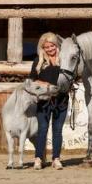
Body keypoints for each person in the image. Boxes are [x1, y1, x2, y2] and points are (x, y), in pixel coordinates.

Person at [29, 32, 69, 170]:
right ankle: (39, 158)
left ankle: (56, 159)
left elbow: (70, 77)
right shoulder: (38, 61)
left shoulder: (64, 60)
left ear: (56, 45)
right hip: (44, 101)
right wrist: (44, 84)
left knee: (57, 131)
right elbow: (32, 80)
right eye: (46, 47)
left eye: (52, 45)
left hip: (61, 100)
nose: (50, 49)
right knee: (42, 130)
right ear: (43, 48)